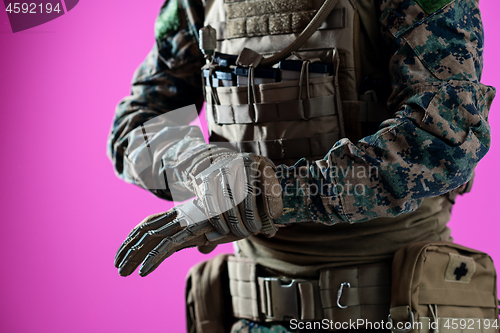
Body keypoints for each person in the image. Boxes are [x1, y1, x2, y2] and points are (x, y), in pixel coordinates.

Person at [108, 0, 496, 331]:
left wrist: (271, 195)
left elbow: (444, 138)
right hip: (252, 313)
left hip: (398, 309)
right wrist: (200, 166)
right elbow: (135, 125)